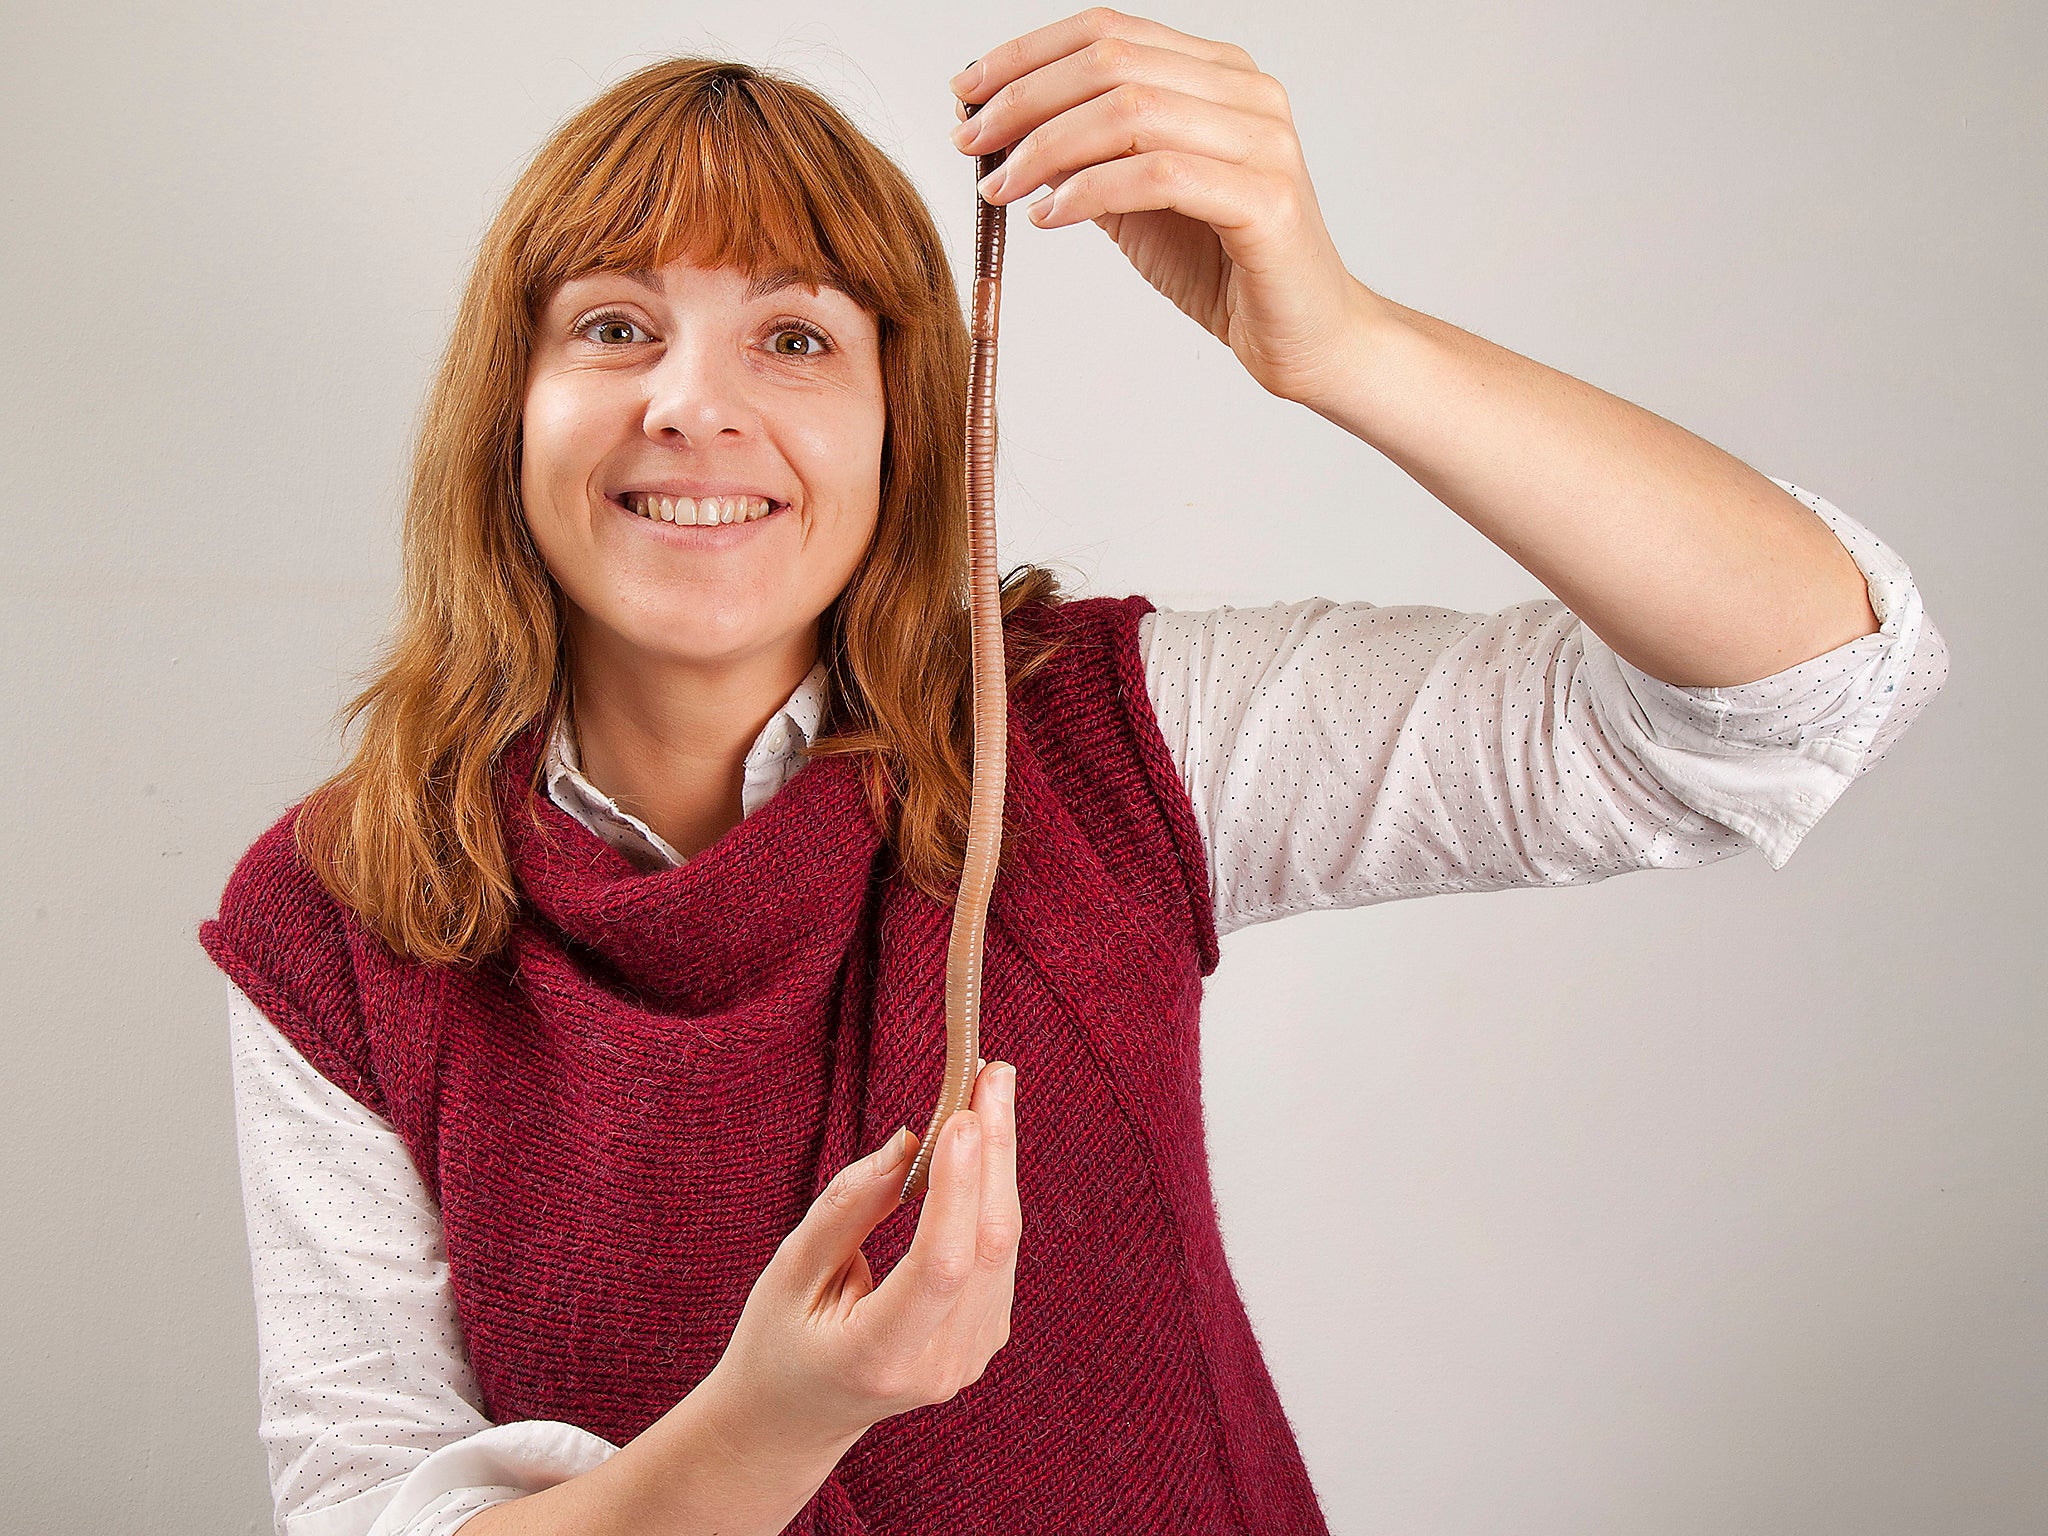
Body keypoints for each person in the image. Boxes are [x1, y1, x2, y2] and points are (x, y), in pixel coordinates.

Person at [199, 14, 1950, 1536]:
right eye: (612, 327)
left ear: (907, 418)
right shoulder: (340, 917)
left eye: (796, 337)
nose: (691, 405)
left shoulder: (1103, 745)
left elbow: (1810, 685)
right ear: (505, 409)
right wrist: (775, 1426)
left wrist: (1336, 339)